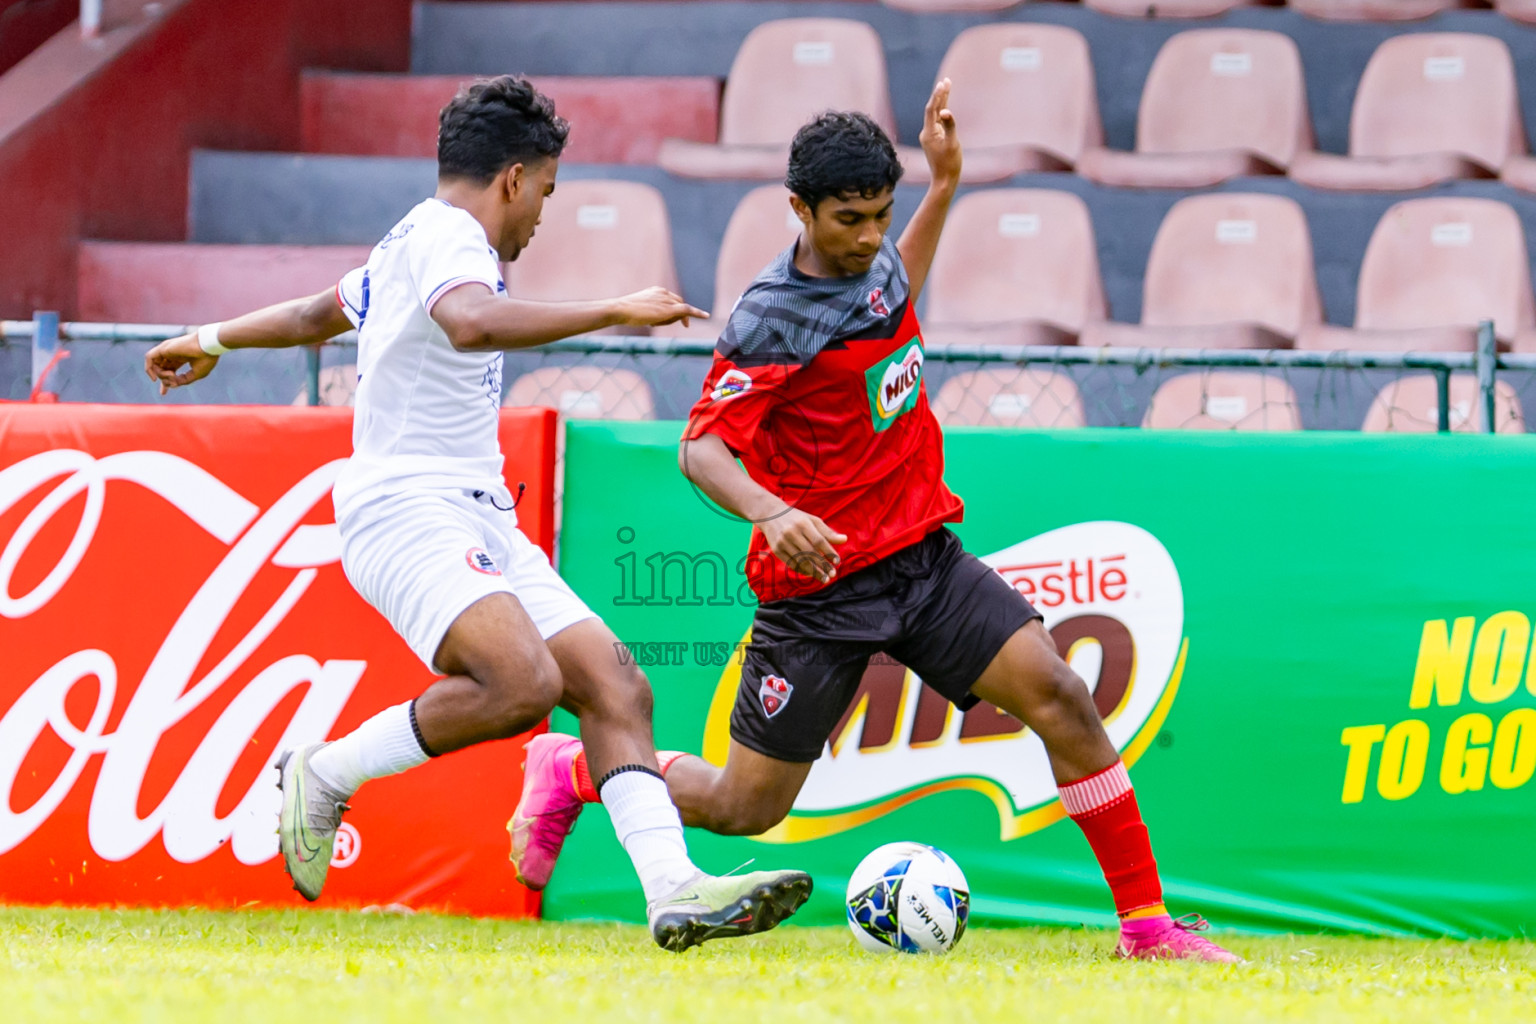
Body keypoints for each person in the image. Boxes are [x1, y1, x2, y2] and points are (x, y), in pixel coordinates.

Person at [511, 81, 1240, 962]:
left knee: (1062, 697)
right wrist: (773, 512)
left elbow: (900, 281)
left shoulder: (878, 263)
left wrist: (941, 189)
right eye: (848, 219)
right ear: (799, 209)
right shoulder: (770, 319)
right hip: (817, 592)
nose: (867, 238)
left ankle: (1147, 930)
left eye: (879, 215)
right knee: (748, 808)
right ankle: (572, 770)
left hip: (923, 562)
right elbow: (701, 450)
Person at [143, 75, 810, 952]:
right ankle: (326, 770)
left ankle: (673, 889)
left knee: (617, 686)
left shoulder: (407, 242)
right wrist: (612, 309)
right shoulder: (453, 241)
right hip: (405, 508)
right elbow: (469, 324)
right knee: (524, 685)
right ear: (513, 179)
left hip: (476, 513)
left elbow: (314, 314)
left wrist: (207, 339)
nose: (541, 213)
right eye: (546, 191)